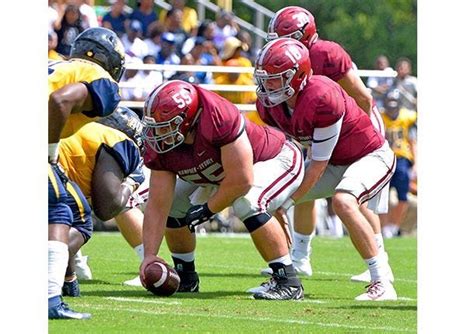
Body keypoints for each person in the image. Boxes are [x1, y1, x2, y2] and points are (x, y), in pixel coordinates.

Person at [253, 38, 397, 301]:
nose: (267, 84)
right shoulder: (268, 106)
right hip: (334, 162)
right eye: (265, 77)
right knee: (268, 200)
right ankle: (286, 276)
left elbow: (318, 164)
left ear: (296, 77)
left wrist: (291, 201)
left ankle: (381, 280)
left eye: (275, 77)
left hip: (370, 156)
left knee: (343, 202)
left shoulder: (322, 96)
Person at [139, 80, 305, 300]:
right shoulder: (161, 140)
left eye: (167, 125)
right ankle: (185, 277)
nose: (159, 132)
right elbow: (158, 204)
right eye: (155, 125)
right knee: (173, 205)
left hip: (272, 158)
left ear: (188, 119)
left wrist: (207, 209)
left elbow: (241, 180)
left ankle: (288, 281)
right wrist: (149, 255)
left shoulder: (217, 116)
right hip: (216, 172)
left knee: (248, 201)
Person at [48, 27, 125, 319]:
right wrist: (50, 149)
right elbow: (59, 101)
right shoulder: (98, 77)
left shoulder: (56, 65)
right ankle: (51, 299)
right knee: (63, 211)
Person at [58, 107, 145, 293]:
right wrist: (131, 183)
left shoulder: (81, 129)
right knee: (81, 225)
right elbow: (106, 209)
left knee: (65, 220)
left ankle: (68, 277)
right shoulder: (116, 140)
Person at [380, 90, 417, 238]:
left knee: (403, 196)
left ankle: (393, 227)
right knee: (381, 197)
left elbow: (413, 141)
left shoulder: (407, 117)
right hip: (383, 160)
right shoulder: (380, 117)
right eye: (389, 103)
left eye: (395, 104)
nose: (392, 108)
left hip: (402, 160)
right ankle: (383, 228)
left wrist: (416, 163)